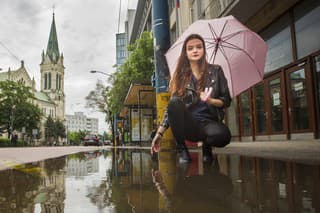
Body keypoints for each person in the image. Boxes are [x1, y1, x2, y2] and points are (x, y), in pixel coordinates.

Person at [151, 34, 231, 163]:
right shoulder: (181, 76)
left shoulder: (216, 71)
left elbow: (226, 100)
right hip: (188, 125)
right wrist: (159, 133)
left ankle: (207, 146)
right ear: (186, 53)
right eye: (190, 48)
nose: (195, 50)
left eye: (199, 47)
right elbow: (171, 109)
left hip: (209, 123)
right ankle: (182, 148)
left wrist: (211, 100)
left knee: (223, 136)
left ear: (204, 50)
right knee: (174, 102)